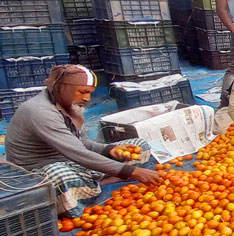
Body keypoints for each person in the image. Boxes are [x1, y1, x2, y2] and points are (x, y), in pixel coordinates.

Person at [5, 65, 161, 218]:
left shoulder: (68, 106)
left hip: (71, 160)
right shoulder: (41, 112)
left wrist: (110, 150)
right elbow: (77, 152)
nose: (87, 98)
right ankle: (95, 186)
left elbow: (82, 142)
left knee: (140, 146)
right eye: (82, 92)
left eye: (90, 93)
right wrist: (131, 172)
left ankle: (93, 184)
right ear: (63, 88)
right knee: (61, 177)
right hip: (39, 169)